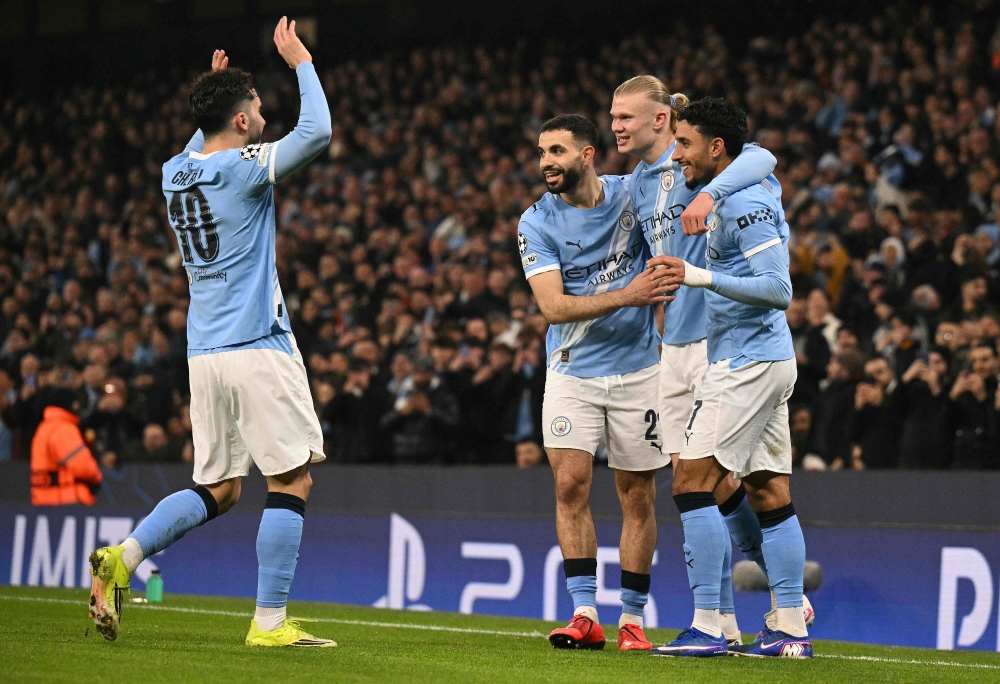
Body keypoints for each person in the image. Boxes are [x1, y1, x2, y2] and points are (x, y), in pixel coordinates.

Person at [87, 19, 336, 648]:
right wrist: (301, 61)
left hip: (206, 355)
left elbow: (207, 136)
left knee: (219, 489)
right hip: (257, 344)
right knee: (292, 478)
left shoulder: (175, 172)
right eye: (254, 107)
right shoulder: (246, 169)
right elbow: (319, 132)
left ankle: (124, 557)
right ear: (246, 124)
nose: (260, 114)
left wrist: (217, 94)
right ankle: (270, 624)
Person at [610, 74, 791, 646]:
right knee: (723, 484)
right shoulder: (638, 185)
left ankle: (718, 618)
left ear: (661, 120)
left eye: (625, 116)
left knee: (702, 481)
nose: (616, 125)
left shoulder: (718, 172)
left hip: (723, 344)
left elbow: (760, 153)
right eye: (611, 117)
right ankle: (763, 612)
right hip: (676, 348)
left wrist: (710, 195)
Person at [650, 98, 811, 658]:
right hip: (764, 359)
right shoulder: (737, 184)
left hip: (747, 363)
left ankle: (710, 627)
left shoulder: (743, 203)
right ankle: (790, 628)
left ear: (717, 148)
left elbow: (778, 288)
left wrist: (696, 275)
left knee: (692, 481)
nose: (678, 154)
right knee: (769, 492)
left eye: (686, 143)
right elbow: (758, 155)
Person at [517, 114, 675, 651]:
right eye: (541, 153)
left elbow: (682, 155)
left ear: (587, 154)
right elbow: (554, 306)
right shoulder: (535, 222)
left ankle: (633, 618)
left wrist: (670, 109)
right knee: (569, 485)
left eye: (556, 151)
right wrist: (630, 294)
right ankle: (585, 612)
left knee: (637, 494)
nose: (545, 163)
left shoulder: (633, 192)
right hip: (571, 370)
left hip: (639, 371)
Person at [30, 388, 102, 506]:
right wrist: (96, 476)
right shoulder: (64, 429)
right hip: (66, 500)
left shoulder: (43, 428)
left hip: (42, 499)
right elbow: (83, 467)